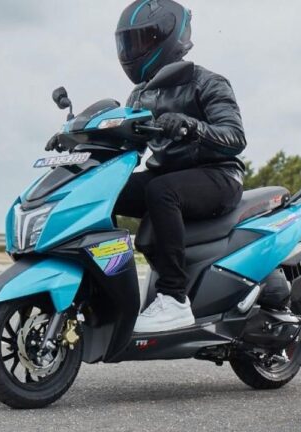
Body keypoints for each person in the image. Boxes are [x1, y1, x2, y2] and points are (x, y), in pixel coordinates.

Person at [114, 0, 246, 332]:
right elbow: (125, 146)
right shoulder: (139, 95)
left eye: (141, 41)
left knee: (161, 191)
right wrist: (80, 143)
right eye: (128, 43)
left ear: (167, 38)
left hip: (218, 175)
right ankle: (104, 284)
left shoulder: (208, 82)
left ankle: (174, 299)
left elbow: (235, 137)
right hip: (169, 176)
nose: (132, 51)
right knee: (109, 191)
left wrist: (191, 126)